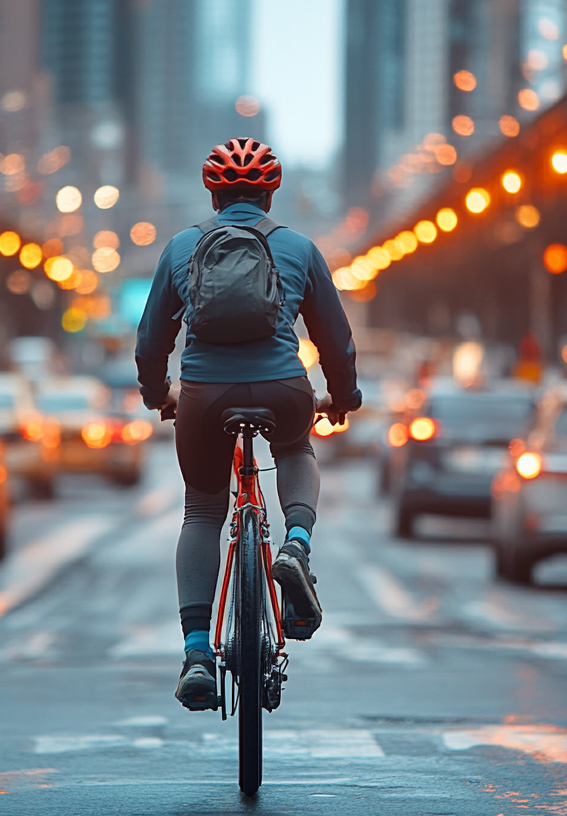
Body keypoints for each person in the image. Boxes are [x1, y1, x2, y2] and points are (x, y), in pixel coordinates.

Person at [135, 137, 362, 711]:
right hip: (284, 388)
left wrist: (158, 394)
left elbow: (149, 342)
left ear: (213, 192)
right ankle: (297, 546)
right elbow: (335, 340)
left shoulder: (181, 247)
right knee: (295, 450)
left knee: (203, 509)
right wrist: (342, 396)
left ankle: (195, 655)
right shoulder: (300, 249)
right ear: (270, 192)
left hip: (204, 398)